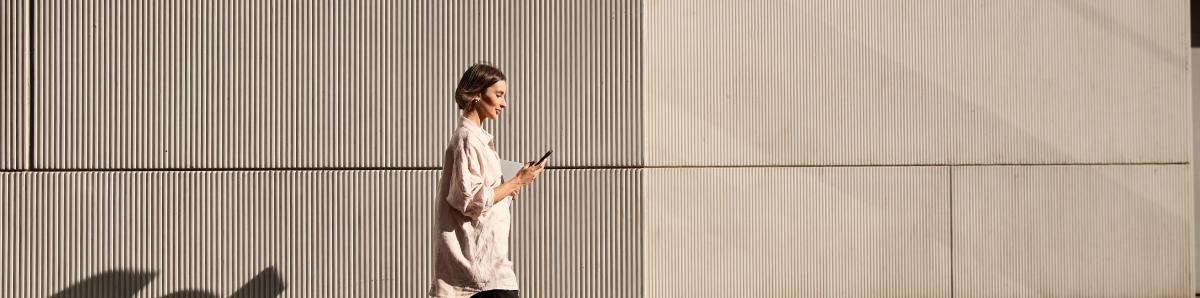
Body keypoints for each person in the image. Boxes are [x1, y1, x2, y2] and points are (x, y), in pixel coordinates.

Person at [429, 63, 545, 298]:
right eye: (499, 95)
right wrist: (516, 182)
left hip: (488, 268)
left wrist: (509, 186)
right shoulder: (466, 139)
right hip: (477, 274)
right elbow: (470, 200)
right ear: (476, 95)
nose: (504, 103)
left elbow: (481, 194)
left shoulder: (477, 139)